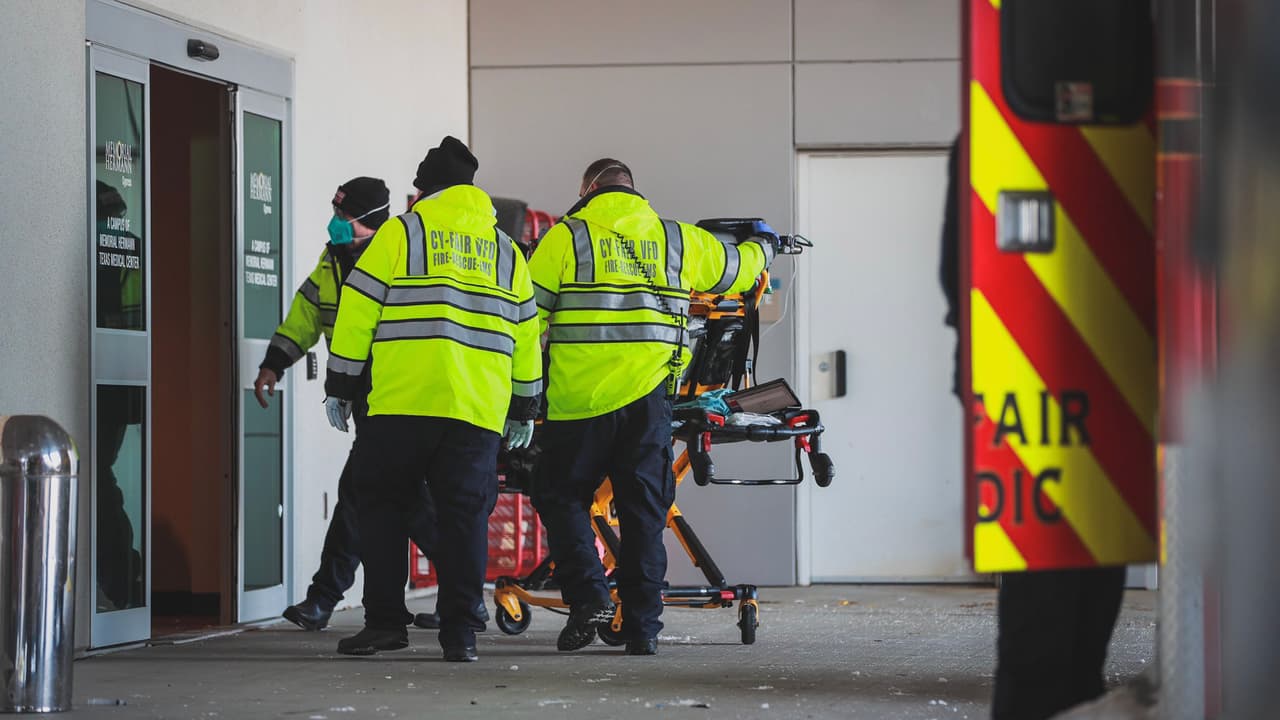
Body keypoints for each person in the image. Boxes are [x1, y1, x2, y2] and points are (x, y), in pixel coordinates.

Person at [526, 159, 778, 655]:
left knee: (559, 497)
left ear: (587, 190)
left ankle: (590, 596)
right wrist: (764, 245)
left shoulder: (565, 238)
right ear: (633, 191)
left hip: (578, 403)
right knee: (644, 515)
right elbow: (737, 269)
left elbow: (526, 315)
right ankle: (642, 629)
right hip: (649, 402)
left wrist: (523, 388)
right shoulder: (677, 239)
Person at [324, 136, 541, 661]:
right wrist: (525, 405)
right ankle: (461, 634)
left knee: (383, 509)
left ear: (424, 190)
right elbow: (526, 333)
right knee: (464, 519)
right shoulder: (505, 250)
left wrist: (342, 386)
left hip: (403, 403)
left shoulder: (403, 232)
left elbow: (358, 310)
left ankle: (385, 625)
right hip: (476, 410)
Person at [938, 137, 1125, 719]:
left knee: (1039, 563)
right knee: (1092, 557)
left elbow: (955, 267)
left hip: (1014, 374)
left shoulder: (985, 138)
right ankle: (1076, 692)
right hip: (1109, 373)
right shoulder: (1126, 142)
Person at [256, 177, 445, 632]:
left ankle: (323, 599)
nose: (336, 222)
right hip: (363, 395)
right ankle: (461, 589)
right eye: (336, 213)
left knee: (364, 492)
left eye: (345, 216)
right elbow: (306, 315)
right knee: (398, 496)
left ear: (369, 221)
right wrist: (274, 363)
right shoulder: (333, 260)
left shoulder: (398, 256)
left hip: (399, 394)